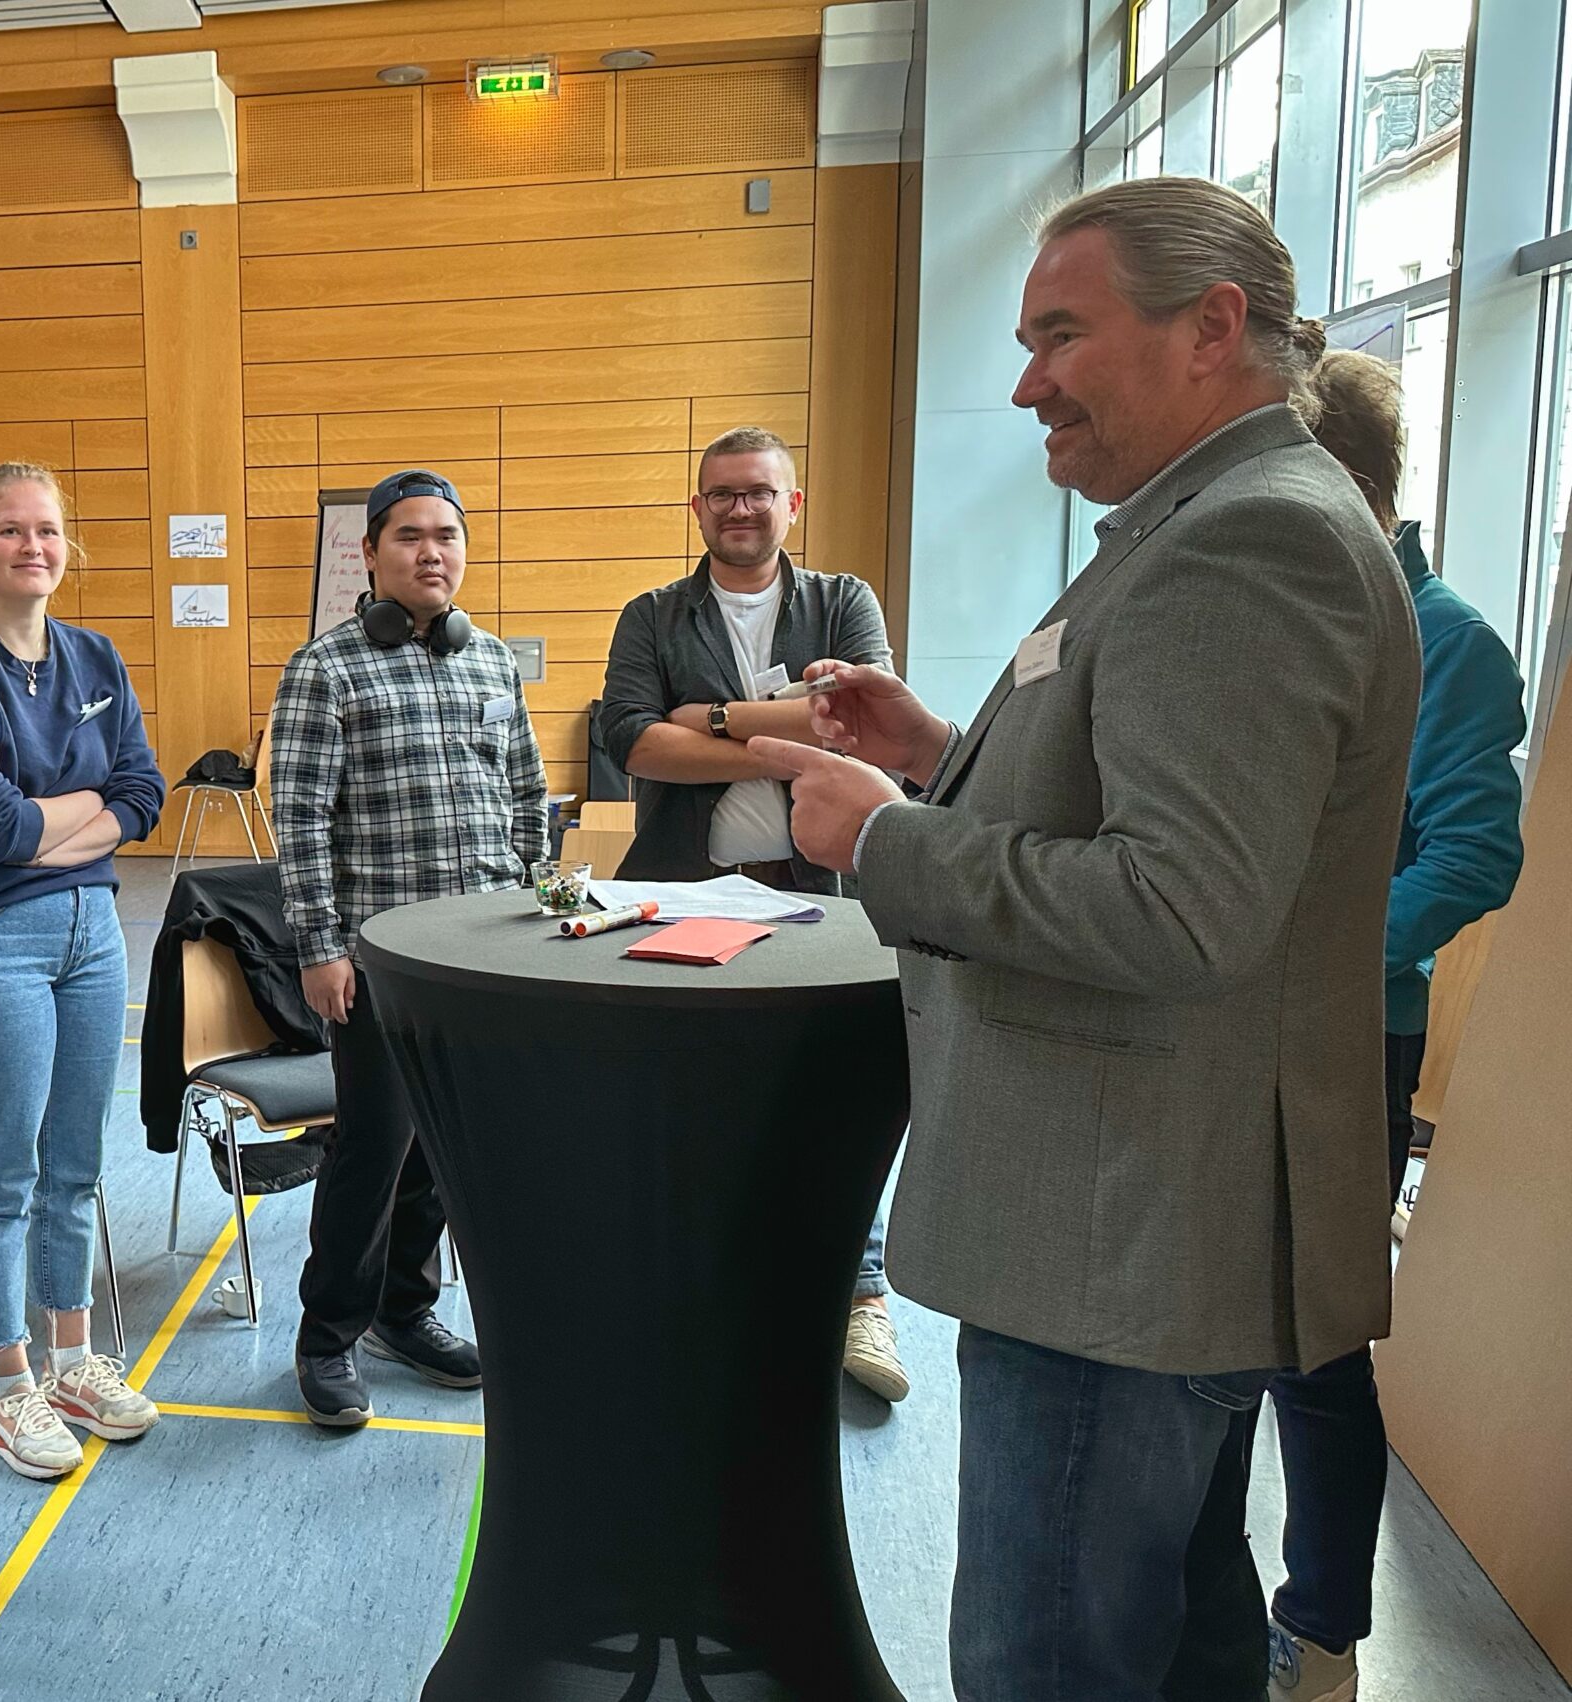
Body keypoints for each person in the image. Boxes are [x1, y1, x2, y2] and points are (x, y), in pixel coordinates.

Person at [749, 176, 1420, 1700]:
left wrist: (886, 838)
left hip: (1123, 1237)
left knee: (1049, 1656)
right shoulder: (1203, 519)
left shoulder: (1246, 541)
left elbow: (1182, 907)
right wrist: (942, 755)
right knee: (1175, 1642)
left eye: (1063, 334)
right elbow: (1148, 803)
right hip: (1139, 1221)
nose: (1026, 380)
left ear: (1214, 328)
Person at [1258, 351, 1525, 1702]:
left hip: (1352, 1035)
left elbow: (1476, 856)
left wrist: (1313, 958)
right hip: (1233, 1024)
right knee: (1212, 1331)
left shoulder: (1452, 639)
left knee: (1312, 1348)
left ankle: (1323, 1631)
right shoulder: (1290, 614)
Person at [594, 425, 909, 1403]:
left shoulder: (841, 601)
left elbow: (863, 723)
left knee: (835, 1099)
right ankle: (704, 1289)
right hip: (688, 892)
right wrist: (787, 733)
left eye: (758, 492)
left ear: (791, 505)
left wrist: (712, 719)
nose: (740, 508)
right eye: (721, 493)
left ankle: (858, 1297)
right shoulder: (651, 613)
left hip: (820, 895)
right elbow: (632, 742)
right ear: (697, 508)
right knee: (695, 1094)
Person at [269, 468, 550, 1428]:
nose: (433, 553)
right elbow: (298, 820)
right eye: (411, 538)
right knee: (375, 1150)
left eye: (448, 536)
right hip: (379, 961)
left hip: (480, 957)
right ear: (371, 553)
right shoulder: (326, 668)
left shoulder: (491, 662)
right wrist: (318, 945)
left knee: (442, 1149)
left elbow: (525, 795)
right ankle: (327, 1337)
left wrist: (536, 907)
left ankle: (405, 1310)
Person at [0, 462, 168, 1480]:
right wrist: (76, 824)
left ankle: (71, 1358)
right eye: (11, 530)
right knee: (2, 1170)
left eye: (49, 530)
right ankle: (7, 1383)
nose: (33, 546)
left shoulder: (95, 654)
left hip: (94, 938)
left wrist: (42, 833)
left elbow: (143, 789)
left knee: (76, 1165)